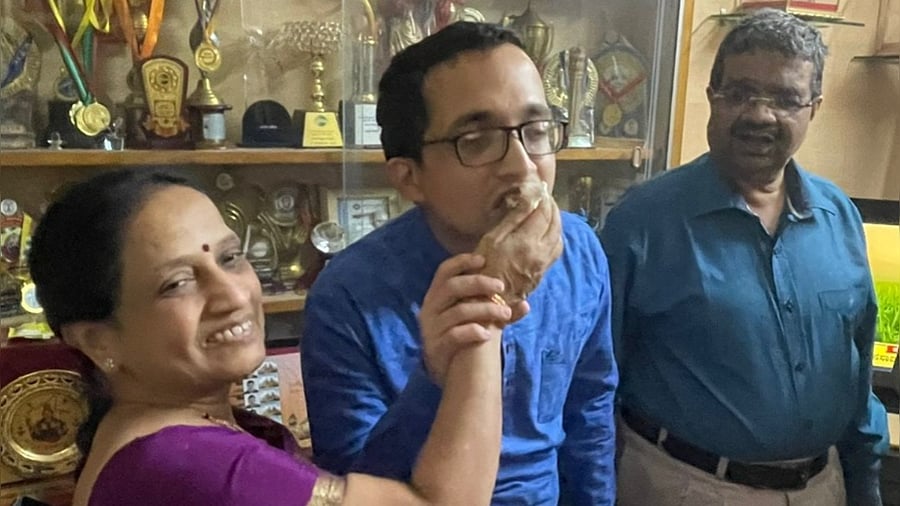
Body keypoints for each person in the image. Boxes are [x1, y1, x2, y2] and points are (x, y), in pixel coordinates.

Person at [28, 168, 512, 506]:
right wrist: (487, 309)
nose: (232, 294)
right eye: (177, 283)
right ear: (98, 341)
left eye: (231, 258)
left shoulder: (184, 435)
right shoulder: (187, 465)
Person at [301, 21, 618, 506]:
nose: (523, 167)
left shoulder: (578, 250)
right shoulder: (346, 296)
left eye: (535, 131)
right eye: (477, 141)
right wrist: (436, 373)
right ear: (409, 179)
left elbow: (589, 410)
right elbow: (354, 484)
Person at [601, 9, 890, 506]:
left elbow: (857, 373)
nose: (759, 114)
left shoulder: (838, 215)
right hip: (685, 486)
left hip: (824, 487)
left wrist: (864, 484)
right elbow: (594, 384)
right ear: (713, 97)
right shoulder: (643, 222)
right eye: (739, 93)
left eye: (785, 98)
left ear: (813, 108)